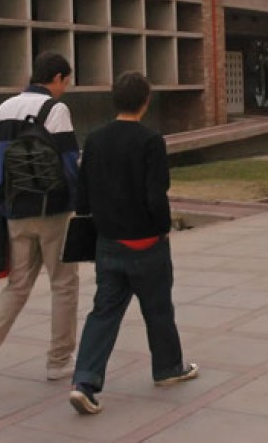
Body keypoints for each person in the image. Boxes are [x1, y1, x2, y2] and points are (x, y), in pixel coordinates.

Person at [70, 72, 198, 415]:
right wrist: (162, 228)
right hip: (146, 242)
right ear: (146, 101)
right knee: (157, 308)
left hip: (108, 241)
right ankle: (168, 367)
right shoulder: (150, 140)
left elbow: (83, 192)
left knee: (103, 312)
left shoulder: (95, 139)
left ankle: (85, 381)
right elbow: (156, 194)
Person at [0, 52, 81, 400]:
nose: (65, 89)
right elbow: (70, 164)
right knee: (64, 284)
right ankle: (59, 360)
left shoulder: (3, 109)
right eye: (66, 81)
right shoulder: (56, 110)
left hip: (14, 212)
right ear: (57, 77)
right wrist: (80, 204)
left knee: (17, 285)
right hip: (53, 211)